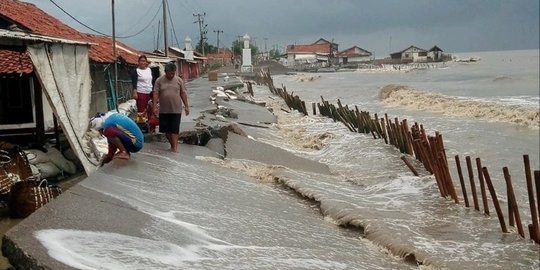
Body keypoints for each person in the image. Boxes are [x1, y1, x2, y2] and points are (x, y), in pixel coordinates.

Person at [152, 62, 190, 152]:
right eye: (170, 73)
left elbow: (183, 93)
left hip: (176, 109)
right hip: (164, 110)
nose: (172, 75)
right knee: (166, 130)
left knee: (175, 129)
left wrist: (187, 106)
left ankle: (174, 148)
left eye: (173, 73)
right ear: (165, 72)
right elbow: (155, 94)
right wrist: (154, 107)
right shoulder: (159, 80)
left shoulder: (179, 80)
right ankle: (173, 145)